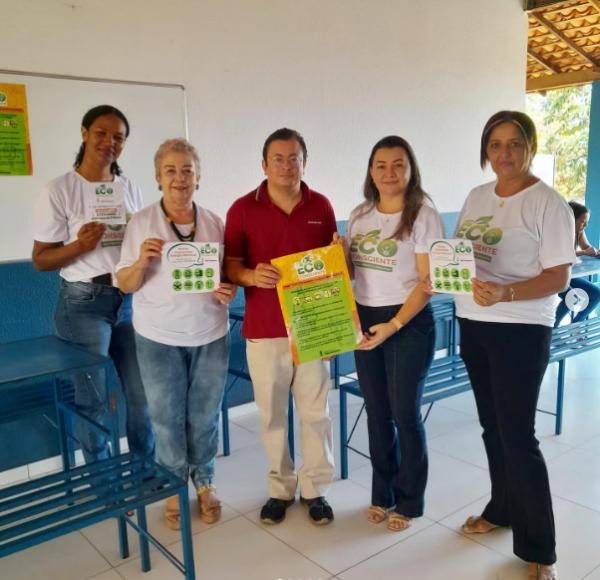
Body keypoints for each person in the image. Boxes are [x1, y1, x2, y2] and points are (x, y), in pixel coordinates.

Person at [453, 111, 575, 580]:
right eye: (495, 144)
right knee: (492, 428)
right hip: (474, 322)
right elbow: (462, 255)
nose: (504, 154)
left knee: (518, 436)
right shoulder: (477, 196)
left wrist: (505, 291)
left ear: (530, 147)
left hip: (521, 328)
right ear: (486, 149)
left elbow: (558, 275)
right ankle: (501, 510)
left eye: (514, 144)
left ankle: (539, 549)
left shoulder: (547, 203)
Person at [116, 138, 235, 529]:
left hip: (210, 333)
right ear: (157, 177)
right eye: (171, 170)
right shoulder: (141, 223)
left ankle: (205, 482)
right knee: (166, 418)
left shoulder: (215, 223)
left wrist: (226, 289)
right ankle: (172, 487)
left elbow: (226, 278)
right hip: (158, 337)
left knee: (204, 415)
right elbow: (125, 284)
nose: (180, 178)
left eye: (187, 170)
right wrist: (140, 262)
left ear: (198, 178)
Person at [224, 128, 336, 526]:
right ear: (264, 164)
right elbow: (231, 266)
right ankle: (279, 488)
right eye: (279, 158)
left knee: (315, 413)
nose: (287, 166)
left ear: (305, 161)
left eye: (294, 158)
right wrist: (252, 277)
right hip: (264, 328)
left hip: (312, 328)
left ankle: (315, 489)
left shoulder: (320, 205)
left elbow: (331, 269)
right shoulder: (241, 209)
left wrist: (334, 329)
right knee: (271, 416)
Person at [32, 104, 154, 464]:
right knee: (94, 400)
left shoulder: (128, 188)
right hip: (83, 305)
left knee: (142, 395)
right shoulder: (60, 189)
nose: (109, 142)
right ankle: (103, 479)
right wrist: (79, 246)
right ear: (84, 133)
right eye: (101, 133)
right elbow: (40, 259)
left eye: (118, 137)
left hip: (129, 302)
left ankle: (145, 469)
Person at [343, 135, 443, 532]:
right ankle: (380, 494)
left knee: (404, 413)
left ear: (410, 169)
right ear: (371, 171)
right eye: (381, 165)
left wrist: (394, 325)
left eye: (398, 164)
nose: (389, 173)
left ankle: (410, 500)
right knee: (377, 413)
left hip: (408, 322)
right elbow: (352, 273)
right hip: (367, 317)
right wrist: (339, 253)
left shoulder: (423, 214)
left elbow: (426, 282)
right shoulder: (359, 214)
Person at [554, 201, 600, 326]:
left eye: (587, 222)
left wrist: (596, 252)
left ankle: (575, 327)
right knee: (574, 297)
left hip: (569, 275)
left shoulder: (579, 231)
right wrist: (583, 252)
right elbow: (559, 256)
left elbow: (587, 248)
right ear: (571, 218)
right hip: (553, 275)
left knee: (596, 294)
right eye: (582, 221)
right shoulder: (556, 231)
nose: (585, 225)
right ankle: (554, 328)